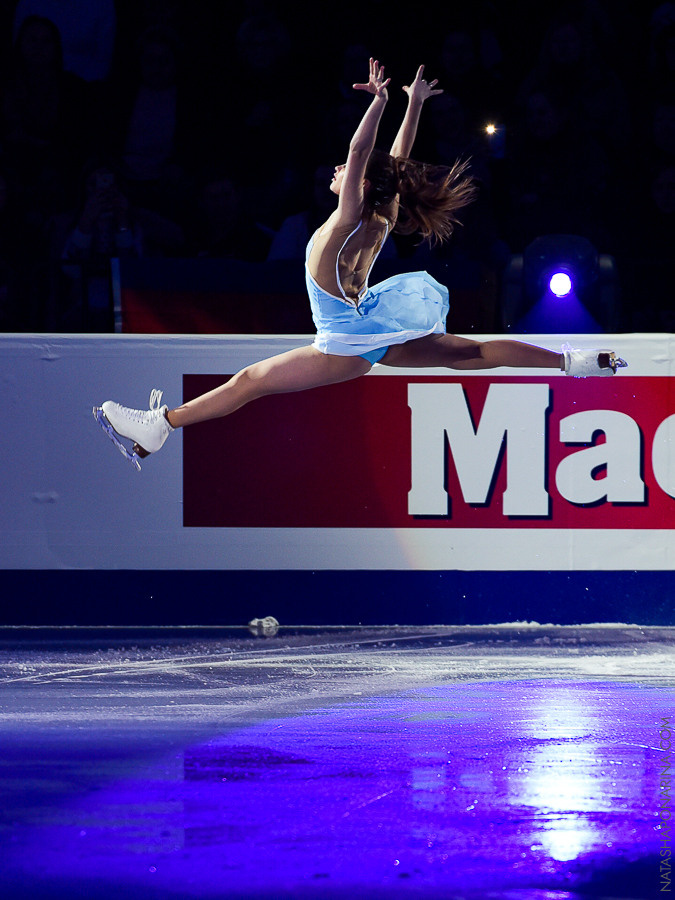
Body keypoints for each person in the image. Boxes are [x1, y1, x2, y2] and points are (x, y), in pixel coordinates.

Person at [94, 60, 627, 469]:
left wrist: (379, 102)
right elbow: (389, 162)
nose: (337, 169)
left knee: (252, 380)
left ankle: (159, 426)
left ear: (359, 183)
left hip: (348, 338)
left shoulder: (350, 216)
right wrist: (413, 104)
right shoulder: (381, 213)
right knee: (474, 352)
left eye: (346, 170)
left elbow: (364, 150)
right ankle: (579, 364)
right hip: (369, 323)